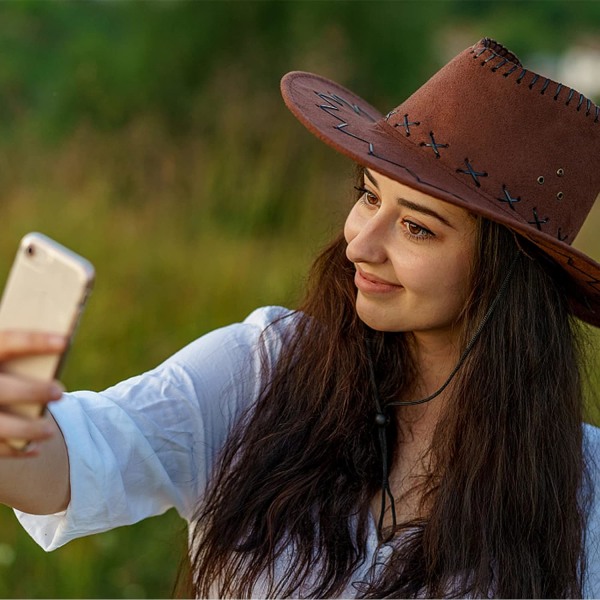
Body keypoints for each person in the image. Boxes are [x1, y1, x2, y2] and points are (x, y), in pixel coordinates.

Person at [0, 36, 599, 598]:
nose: (360, 244)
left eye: (417, 227)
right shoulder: (262, 369)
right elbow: (77, 464)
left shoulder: (584, 495)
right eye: (369, 195)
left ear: (509, 274)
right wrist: (14, 425)